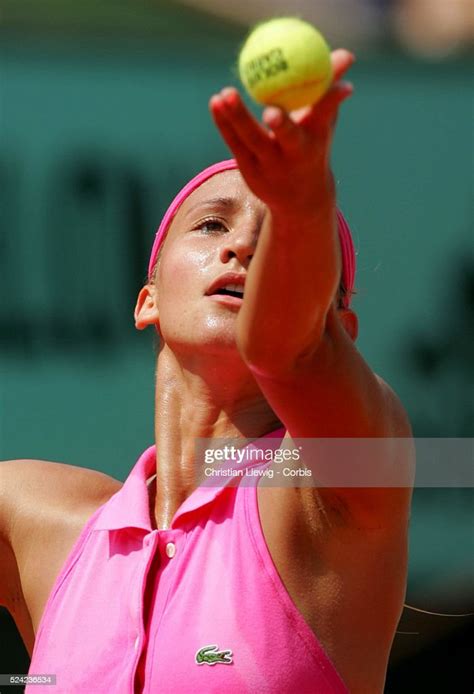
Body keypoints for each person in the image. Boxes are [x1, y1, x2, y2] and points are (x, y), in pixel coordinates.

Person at [0, 48, 414, 693]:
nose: (244, 244)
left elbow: (289, 350)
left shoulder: (342, 477)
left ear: (341, 328)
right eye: (213, 223)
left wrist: (306, 207)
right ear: (149, 299)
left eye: (274, 237)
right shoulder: (35, 521)